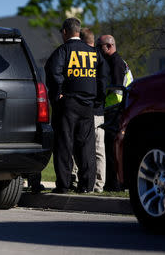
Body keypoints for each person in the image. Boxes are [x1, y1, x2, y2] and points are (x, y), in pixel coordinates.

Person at [45, 18, 107, 194]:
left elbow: (52, 71)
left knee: (64, 145)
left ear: (65, 32)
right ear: (78, 32)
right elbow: (103, 77)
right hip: (88, 106)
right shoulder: (94, 53)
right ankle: (86, 185)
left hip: (68, 105)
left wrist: (58, 95)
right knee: (86, 146)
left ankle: (64, 185)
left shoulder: (63, 51)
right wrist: (97, 99)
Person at [96, 34, 133, 191]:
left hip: (116, 110)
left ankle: (115, 185)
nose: (98, 50)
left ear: (109, 46)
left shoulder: (115, 63)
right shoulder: (116, 61)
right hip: (117, 109)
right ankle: (114, 183)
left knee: (112, 150)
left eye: (100, 47)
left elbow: (116, 87)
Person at [80, 28, 107, 193]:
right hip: (98, 110)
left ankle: (87, 182)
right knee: (99, 149)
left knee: (85, 146)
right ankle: (99, 184)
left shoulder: (87, 57)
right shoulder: (100, 57)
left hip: (89, 108)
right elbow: (103, 84)